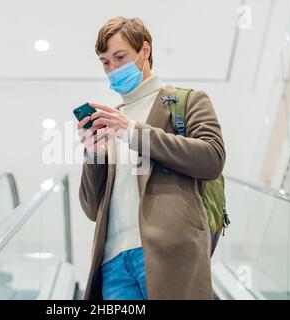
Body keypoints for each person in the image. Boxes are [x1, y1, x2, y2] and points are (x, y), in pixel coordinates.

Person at [78, 16, 225, 300]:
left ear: (145, 51)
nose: (112, 69)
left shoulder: (187, 101)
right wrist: (94, 154)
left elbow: (212, 158)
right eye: (105, 62)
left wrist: (133, 130)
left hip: (168, 253)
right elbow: (91, 208)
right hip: (113, 263)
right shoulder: (109, 121)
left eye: (120, 57)